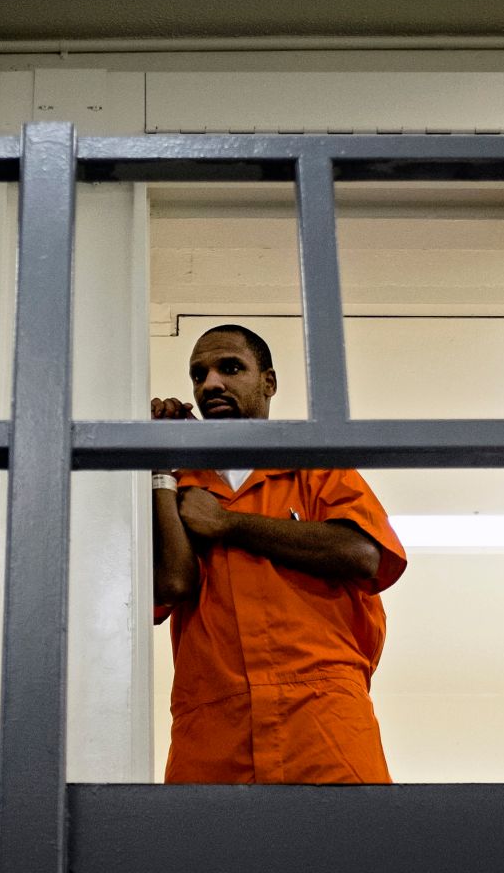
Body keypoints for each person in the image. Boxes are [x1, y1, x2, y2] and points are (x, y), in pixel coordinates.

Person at [151, 324, 407, 784]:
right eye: (198, 374)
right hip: (212, 735)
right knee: (200, 856)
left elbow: (364, 552)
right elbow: (171, 585)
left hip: (323, 726)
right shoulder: (178, 486)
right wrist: (158, 467)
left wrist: (228, 524)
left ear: (268, 382)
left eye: (230, 368)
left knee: (353, 853)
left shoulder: (315, 468)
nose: (210, 384)